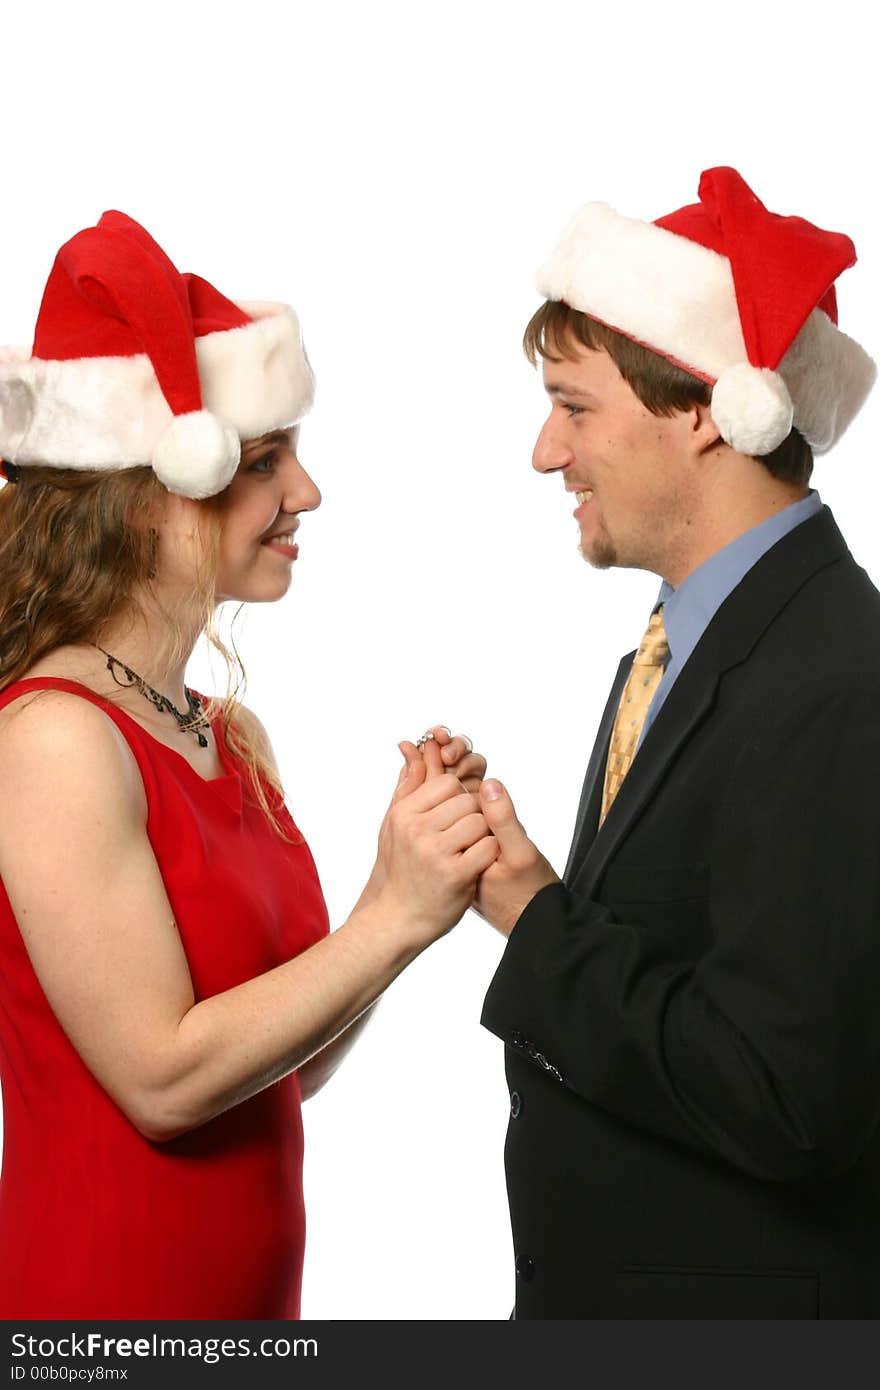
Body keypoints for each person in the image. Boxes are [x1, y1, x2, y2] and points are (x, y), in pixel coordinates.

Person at [0, 210, 498, 1319]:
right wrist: (392, 914)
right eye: (266, 461)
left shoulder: (223, 731)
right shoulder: (52, 735)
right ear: (150, 495)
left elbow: (289, 1066)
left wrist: (404, 883)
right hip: (102, 1312)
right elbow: (164, 1080)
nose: (306, 493)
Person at [469, 167, 880, 1318]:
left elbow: (779, 1092)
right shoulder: (686, 643)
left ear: (707, 410)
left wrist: (534, 922)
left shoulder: (836, 679)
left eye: (575, 405)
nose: (546, 452)